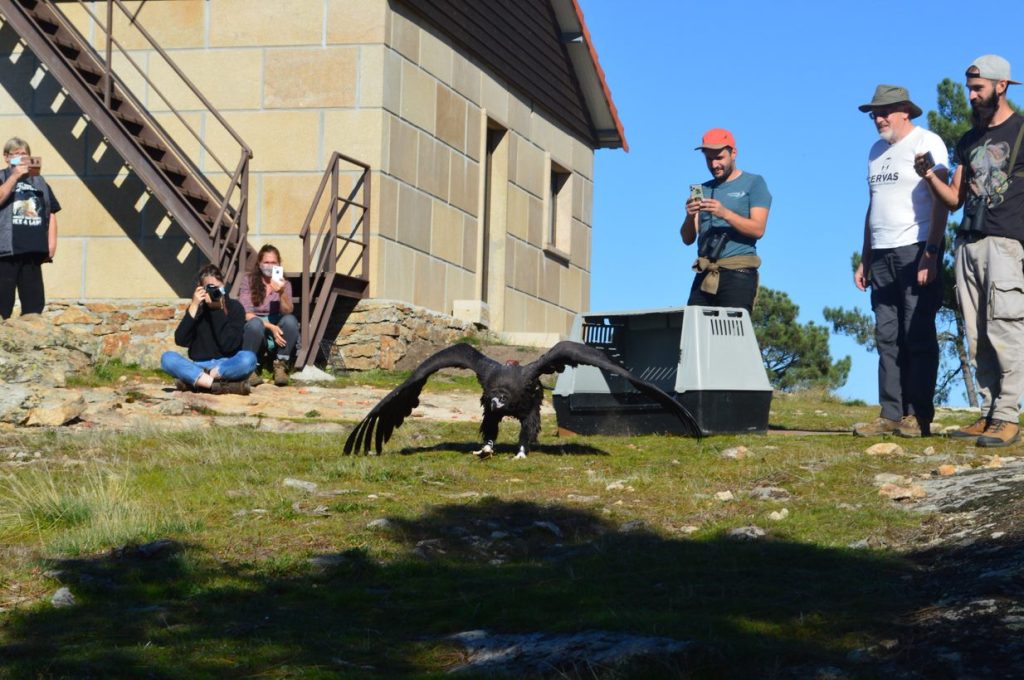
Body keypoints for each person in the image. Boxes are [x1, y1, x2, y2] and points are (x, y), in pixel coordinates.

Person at [922, 55, 1024, 447]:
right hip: (968, 243)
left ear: (1001, 86)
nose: (971, 95)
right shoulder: (967, 140)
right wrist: (929, 174)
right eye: (968, 88)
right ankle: (988, 413)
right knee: (976, 333)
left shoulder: (1020, 131)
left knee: (1006, 328)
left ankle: (1007, 416)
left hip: (1006, 244)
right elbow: (953, 199)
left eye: (978, 88)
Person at [851, 85, 949, 438]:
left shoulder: (928, 142)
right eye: (873, 114)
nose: (877, 119)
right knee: (887, 336)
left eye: (884, 112)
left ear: (905, 111)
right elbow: (872, 205)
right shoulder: (876, 151)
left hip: (916, 248)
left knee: (917, 333)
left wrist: (932, 252)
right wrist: (865, 257)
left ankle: (918, 415)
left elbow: (942, 201)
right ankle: (890, 413)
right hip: (881, 254)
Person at [681, 128, 771, 314]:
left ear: (734, 153)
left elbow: (758, 230)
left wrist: (725, 213)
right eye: (709, 159)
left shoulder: (754, 182)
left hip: (738, 273)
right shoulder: (701, 189)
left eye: (719, 158)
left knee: (732, 334)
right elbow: (687, 239)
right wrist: (689, 215)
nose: (714, 164)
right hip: (704, 272)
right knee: (693, 334)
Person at [160, 263, 257, 394]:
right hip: (199, 365)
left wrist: (217, 311)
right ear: (201, 289)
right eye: (210, 288)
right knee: (167, 358)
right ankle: (220, 386)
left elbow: (230, 345)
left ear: (223, 286)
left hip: (225, 365)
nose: (215, 292)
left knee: (249, 359)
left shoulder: (235, 307)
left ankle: (198, 382)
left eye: (218, 287)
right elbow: (180, 340)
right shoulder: (198, 309)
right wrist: (194, 305)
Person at [0, 137, 60, 319]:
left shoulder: (39, 181)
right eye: (16, 154)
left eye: (24, 154)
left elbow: (51, 212)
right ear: (6, 157)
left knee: (33, 306)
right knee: (2, 303)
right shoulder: (2, 177)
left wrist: (51, 244)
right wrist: (15, 176)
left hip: (33, 250)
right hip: (5, 251)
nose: (21, 158)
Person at [237, 244, 298, 386]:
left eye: (273, 262)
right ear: (259, 264)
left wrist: (282, 292)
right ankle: (249, 368)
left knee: (290, 321)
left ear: (278, 264)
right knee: (254, 324)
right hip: (256, 324)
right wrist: (270, 326)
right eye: (266, 262)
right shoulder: (248, 281)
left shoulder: (284, 283)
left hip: (277, 322)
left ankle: (281, 365)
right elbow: (246, 313)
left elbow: (288, 310)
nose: (269, 266)